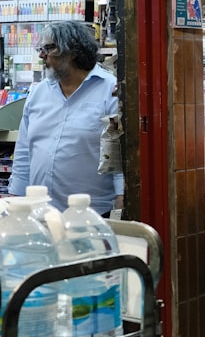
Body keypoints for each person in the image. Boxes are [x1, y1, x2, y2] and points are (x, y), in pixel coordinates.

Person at [9, 21, 124, 215]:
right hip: (40, 213)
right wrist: (16, 196)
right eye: (41, 48)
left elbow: (118, 153)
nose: (41, 55)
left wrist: (121, 197)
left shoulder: (109, 91)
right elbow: (23, 152)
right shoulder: (38, 93)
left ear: (73, 51)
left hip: (91, 215)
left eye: (49, 48)